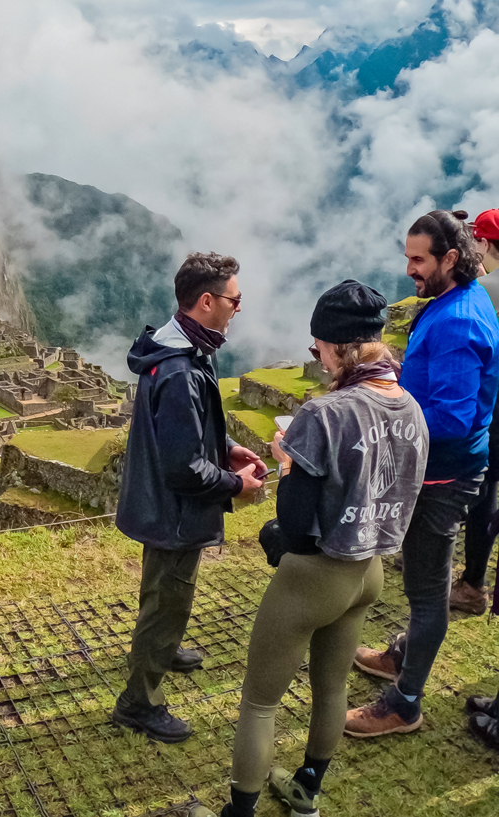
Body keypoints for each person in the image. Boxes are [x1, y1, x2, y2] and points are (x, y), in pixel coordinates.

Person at [191, 282, 428, 817]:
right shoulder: (411, 406)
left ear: (337, 345)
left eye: (317, 346)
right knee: (331, 689)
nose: (315, 358)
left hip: (315, 577)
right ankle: (307, 792)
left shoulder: (327, 414)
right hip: (368, 571)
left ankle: (239, 811)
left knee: (259, 701)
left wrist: (287, 462)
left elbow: (293, 527)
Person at [348, 209, 499, 737]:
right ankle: (403, 657)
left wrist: (383, 415)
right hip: (446, 469)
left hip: (442, 477)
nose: (409, 268)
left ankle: (404, 703)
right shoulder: (459, 298)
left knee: (427, 589)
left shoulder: (457, 319)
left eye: (418, 259)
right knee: (425, 581)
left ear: (450, 258)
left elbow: (453, 419)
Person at [113, 252, 266, 743]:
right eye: (233, 300)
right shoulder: (180, 369)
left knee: (163, 590)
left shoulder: (185, 348)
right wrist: (235, 484)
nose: (237, 309)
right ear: (207, 301)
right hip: (173, 510)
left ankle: (163, 647)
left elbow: (186, 431)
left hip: (158, 503)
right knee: (169, 598)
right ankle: (140, 702)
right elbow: (184, 468)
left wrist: (228, 448)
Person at [452, 209, 499, 614]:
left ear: (482, 243)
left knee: (482, 493)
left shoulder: (484, 291)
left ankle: (472, 584)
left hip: (493, 409)